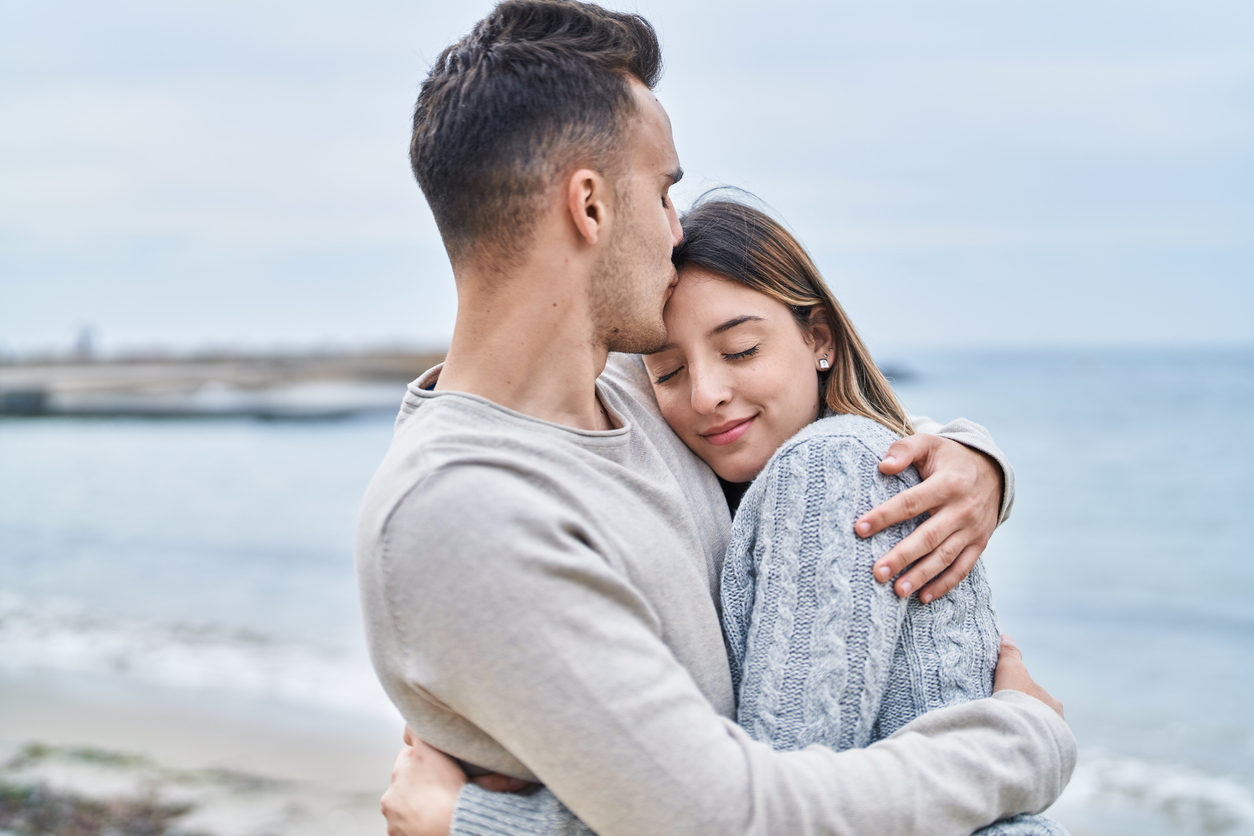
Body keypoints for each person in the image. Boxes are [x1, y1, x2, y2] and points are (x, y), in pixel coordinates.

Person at [355, 2, 1076, 835]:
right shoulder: (467, 509)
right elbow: (733, 820)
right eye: (664, 192)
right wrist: (1025, 739)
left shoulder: (634, 393)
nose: (676, 232)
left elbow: (820, 430)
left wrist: (969, 460)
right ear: (589, 207)